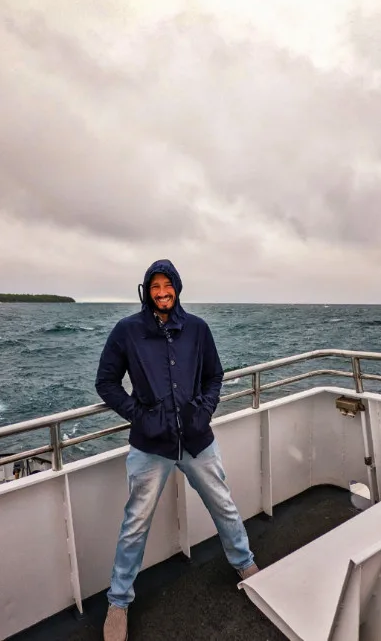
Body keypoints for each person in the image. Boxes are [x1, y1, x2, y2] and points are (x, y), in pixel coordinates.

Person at [95, 259, 258, 641]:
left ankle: (245, 564)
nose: (163, 293)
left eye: (168, 286)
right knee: (135, 525)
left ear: (178, 288)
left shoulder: (198, 330)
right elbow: (106, 382)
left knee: (224, 505)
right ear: (146, 290)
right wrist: (141, 416)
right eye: (156, 286)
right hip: (150, 445)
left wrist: (203, 412)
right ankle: (118, 602)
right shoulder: (127, 332)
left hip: (197, 441)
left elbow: (214, 376)